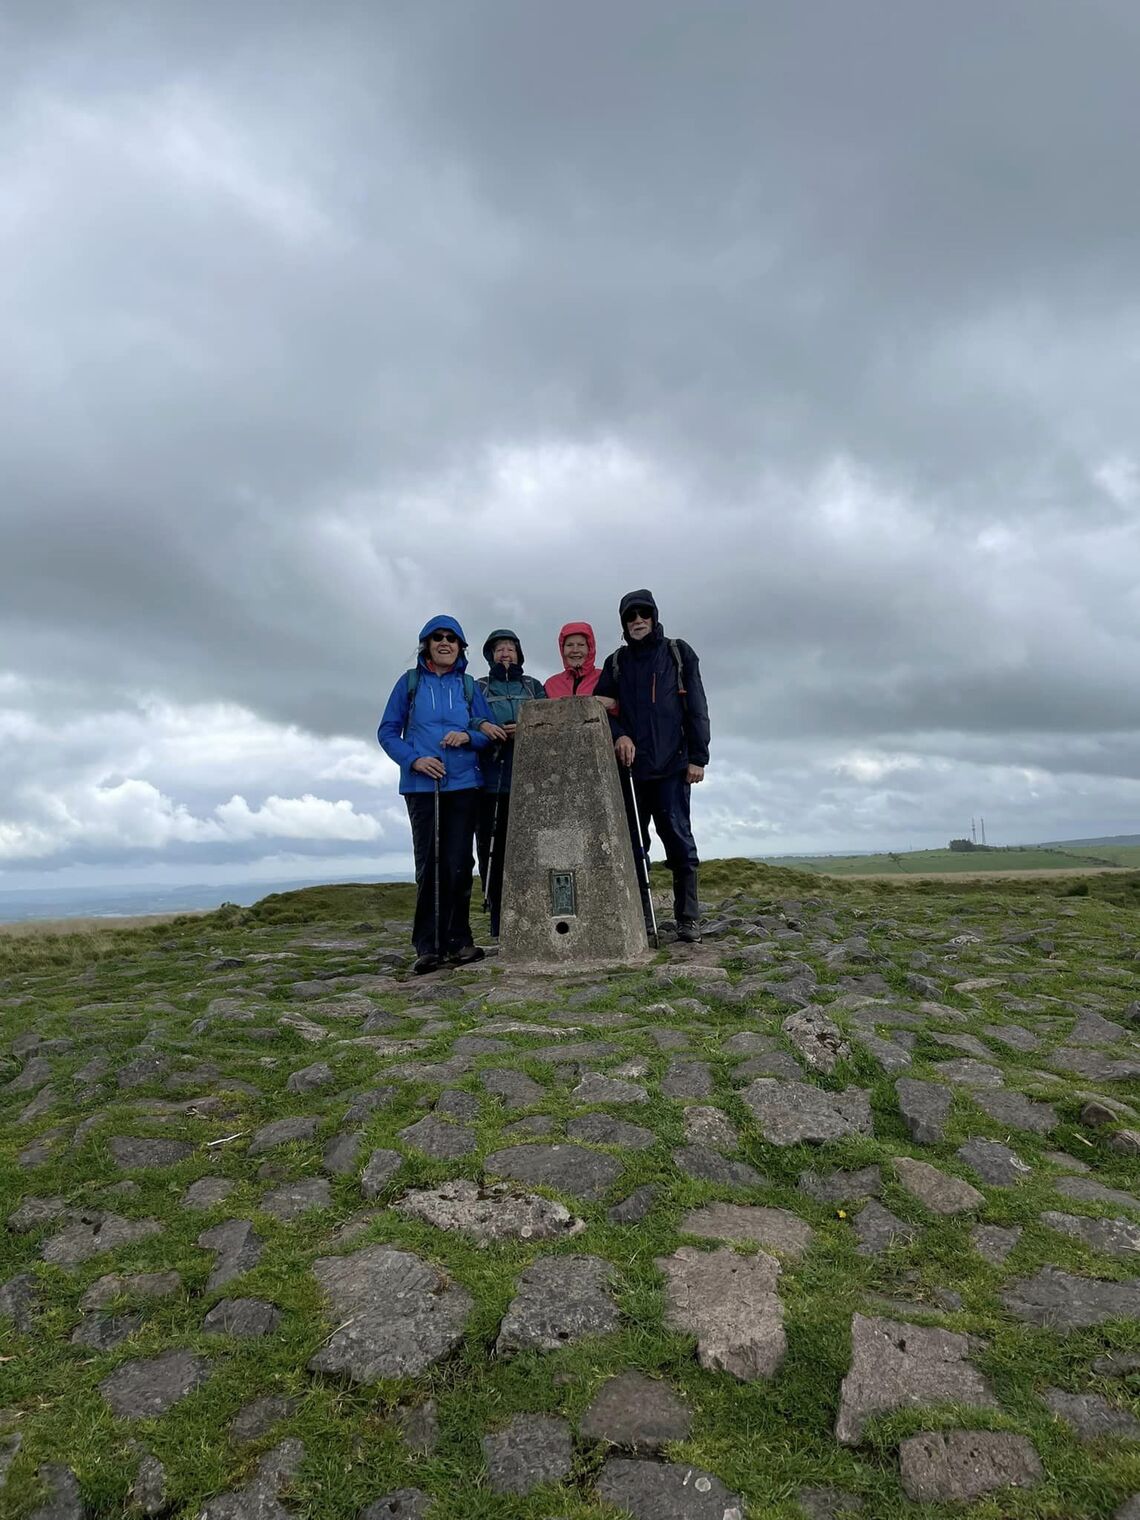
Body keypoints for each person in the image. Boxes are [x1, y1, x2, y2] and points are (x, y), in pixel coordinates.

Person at [378, 616, 506, 974]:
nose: (445, 643)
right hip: (422, 787)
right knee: (430, 863)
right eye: (438, 638)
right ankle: (429, 945)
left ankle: (459, 940)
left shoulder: (468, 687)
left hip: (464, 784)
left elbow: (488, 733)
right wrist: (415, 760)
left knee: (460, 864)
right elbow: (387, 732)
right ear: (427, 645)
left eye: (452, 638)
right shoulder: (410, 684)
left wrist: (468, 737)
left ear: (461, 648)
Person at [594, 589, 710, 943]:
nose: (638, 621)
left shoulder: (678, 653)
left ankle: (688, 918)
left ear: (654, 616)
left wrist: (697, 757)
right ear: (624, 623)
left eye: (644, 614)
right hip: (631, 772)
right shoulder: (616, 663)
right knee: (633, 844)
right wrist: (620, 735)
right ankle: (641, 916)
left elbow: (697, 706)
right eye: (631, 616)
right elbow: (600, 709)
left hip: (674, 767)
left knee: (679, 841)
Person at [475, 629, 546, 936]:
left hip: (530, 780)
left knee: (531, 850)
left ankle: (533, 913)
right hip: (491, 779)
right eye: (499, 649)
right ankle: (498, 920)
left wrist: (526, 727)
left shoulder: (533, 686)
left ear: (519, 654)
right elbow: (468, 717)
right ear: (490, 656)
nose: (505, 654)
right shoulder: (478, 687)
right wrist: (486, 727)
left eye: (510, 649)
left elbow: (549, 720)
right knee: (492, 849)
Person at [544, 622, 603, 698]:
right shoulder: (551, 685)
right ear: (562, 649)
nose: (575, 650)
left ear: (590, 648)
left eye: (581, 645)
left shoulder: (604, 678)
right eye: (569, 645)